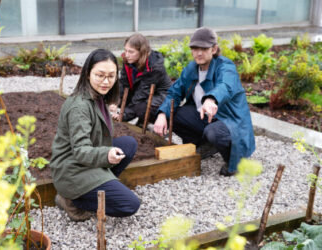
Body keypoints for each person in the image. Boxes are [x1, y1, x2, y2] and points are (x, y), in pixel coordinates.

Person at [50, 49, 140, 222]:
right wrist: (106, 154)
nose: (106, 81)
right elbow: (81, 150)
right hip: (72, 169)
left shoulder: (98, 97)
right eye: (100, 75)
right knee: (129, 204)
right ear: (87, 74)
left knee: (128, 144)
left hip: (86, 160)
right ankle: (73, 200)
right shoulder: (79, 107)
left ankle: (99, 184)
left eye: (111, 76)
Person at [153, 27, 255, 176]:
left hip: (230, 120)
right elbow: (174, 92)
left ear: (214, 49)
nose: (198, 53)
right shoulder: (191, 68)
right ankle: (205, 145)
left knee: (213, 132)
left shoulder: (226, 67)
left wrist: (211, 99)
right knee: (174, 114)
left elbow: (225, 86)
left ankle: (236, 161)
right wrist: (162, 114)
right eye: (195, 48)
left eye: (204, 48)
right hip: (206, 117)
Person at [109, 33, 171, 125]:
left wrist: (123, 115)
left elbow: (141, 94)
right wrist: (116, 101)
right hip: (142, 92)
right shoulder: (129, 61)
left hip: (161, 96)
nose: (126, 55)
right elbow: (123, 84)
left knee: (141, 108)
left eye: (131, 52)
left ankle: (151, 123)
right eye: (125, 50)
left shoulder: (154, 68)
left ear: (142, 52)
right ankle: (141, 121)